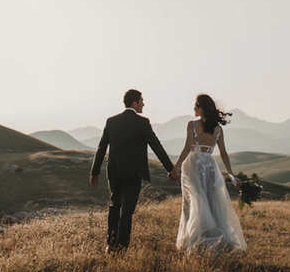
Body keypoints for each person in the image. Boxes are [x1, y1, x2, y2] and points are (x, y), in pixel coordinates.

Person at [89, 89, 177, 252]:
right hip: (133, 173)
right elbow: (156, 146)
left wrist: (94, 172)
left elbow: (101, 147)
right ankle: (122, 246)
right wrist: (170, 168)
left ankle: (111, 243)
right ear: (134, 103)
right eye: (141, 101)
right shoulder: (142, 123)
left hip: (114, 171)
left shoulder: (111, 121)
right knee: (127, 210)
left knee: (114, 205)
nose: (143, 104)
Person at [170, 94, 247, 253]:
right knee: (211, 203)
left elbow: (186, 149)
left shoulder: (191, 125)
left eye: (195, 106)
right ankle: (214, 239)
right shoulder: (218, 129)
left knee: (194, 201)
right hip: (210, 167)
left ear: (201, 108)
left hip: (193, 166)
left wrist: (175, 167)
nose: (193, 109)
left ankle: (196, 240)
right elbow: (224, 153)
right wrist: (231, 175)